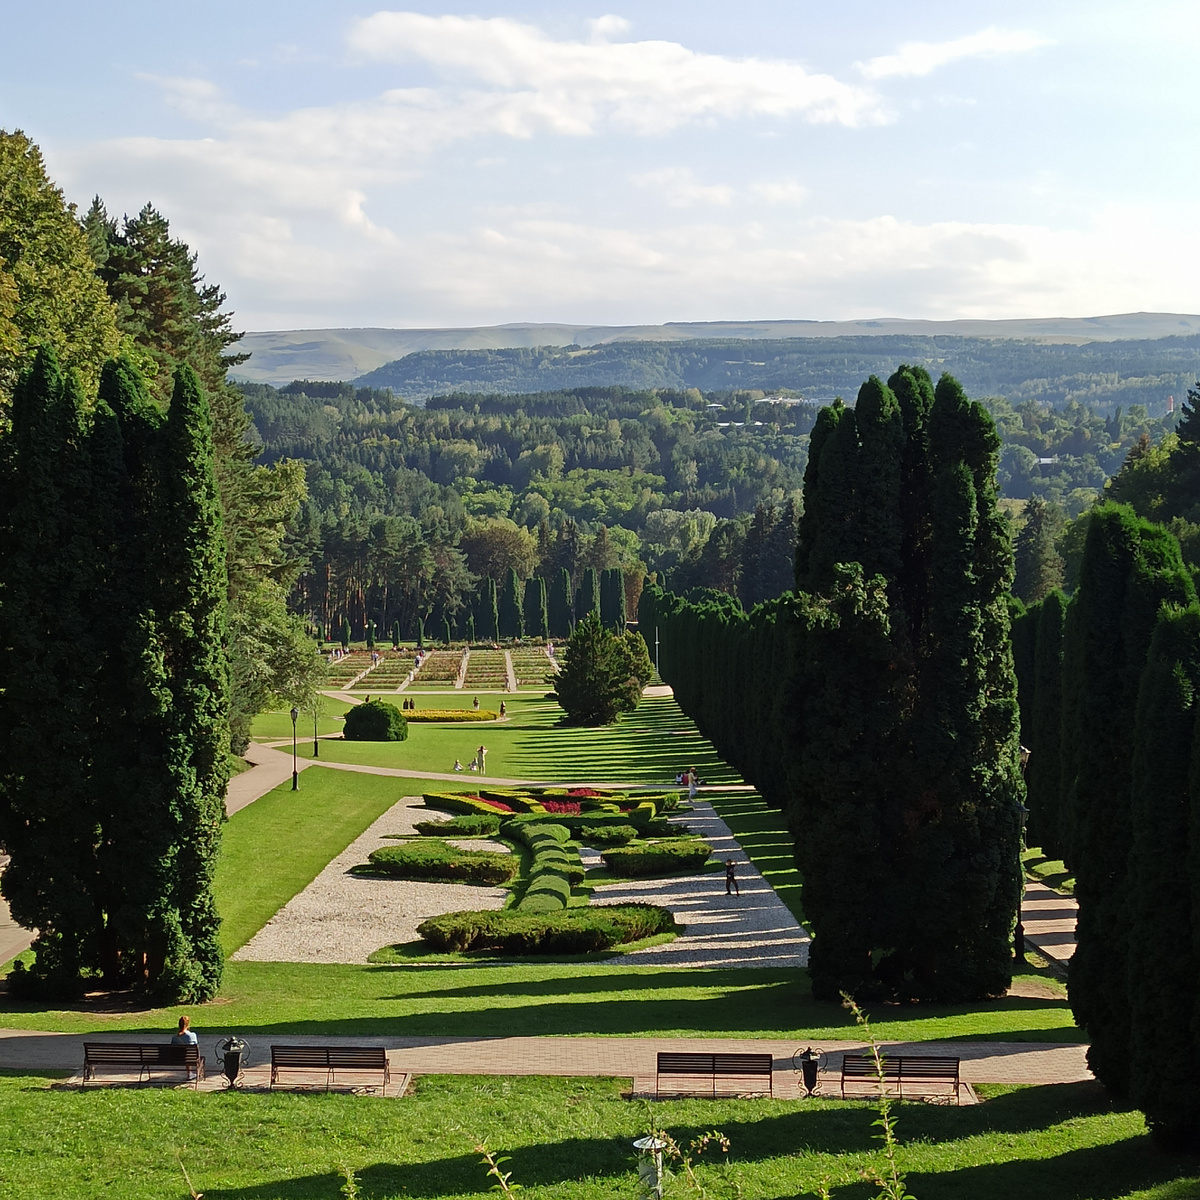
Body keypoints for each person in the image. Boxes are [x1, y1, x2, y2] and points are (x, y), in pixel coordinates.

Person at [171, 1015, 199, 1079]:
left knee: (185, 1053)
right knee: (188, 1053)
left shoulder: (174, 1038)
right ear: (188, 1024)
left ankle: (189, 1073)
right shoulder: (192, 1035)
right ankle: (189, 1073)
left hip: (177, 1058)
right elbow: (196, 1045)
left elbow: (172, 1048)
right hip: (191, 1058)